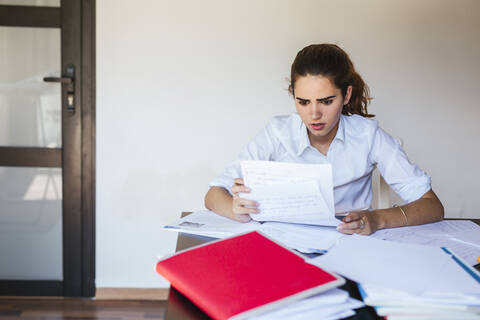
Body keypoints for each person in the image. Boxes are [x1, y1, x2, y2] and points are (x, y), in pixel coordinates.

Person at [204, 44, 444, 235]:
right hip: (286, 242)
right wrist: (237, 210)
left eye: (326, 101)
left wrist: (377, 219)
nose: (314, 114)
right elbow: (213, 195)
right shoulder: (277, 133)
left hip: (350, 242)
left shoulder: (367, 135)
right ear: (294, 96)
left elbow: (432, 205)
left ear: (346, 94)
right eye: (303, 102)